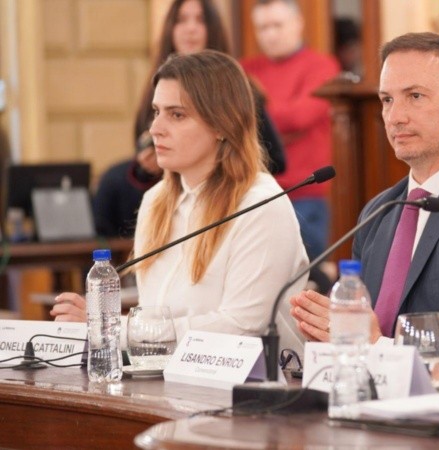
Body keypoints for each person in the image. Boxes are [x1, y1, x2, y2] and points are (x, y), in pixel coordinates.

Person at [289, 32, 439, 370]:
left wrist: (381, 346)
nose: (395, 117)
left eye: (415, 96)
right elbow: (359, 331)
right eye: (387, 100)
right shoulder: (378, 212)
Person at [52, 50, 308, 353]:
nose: (155, 129)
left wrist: (116, 332)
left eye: (177, 115)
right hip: (164, 382)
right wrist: (109, 329)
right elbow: (153, 318)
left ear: (221, 125)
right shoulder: (154, 202)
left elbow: (242, 326)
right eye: (156, 111)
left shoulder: (262, 204)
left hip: (252, 391)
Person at [94, 0, 285, 238]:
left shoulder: (238, 89)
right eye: (182, 20)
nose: (191, 28)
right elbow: (142, 145)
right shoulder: (157, 86)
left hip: (226, 196)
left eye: (200, 20)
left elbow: (276, 159)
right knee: (112, 184)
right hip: (168, 194)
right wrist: (146, 169)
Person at [241, 0, 340, 260]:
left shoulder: (322, 66)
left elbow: (299, 118)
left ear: (298, 24)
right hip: (255, 192)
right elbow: (234, 119)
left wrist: (258, 118)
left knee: (307, 276)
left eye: (277, 25)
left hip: (305, 192)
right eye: (262, 28)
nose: (270, 34)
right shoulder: (246, 70)